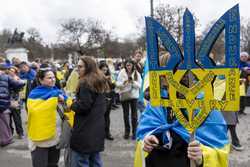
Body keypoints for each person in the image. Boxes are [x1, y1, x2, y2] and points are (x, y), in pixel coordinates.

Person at [70, 56, 107, 167]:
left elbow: (84, 106)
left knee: (82, 161)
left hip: (85, 129)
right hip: (96, 128)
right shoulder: (99, 80)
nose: (78, 69)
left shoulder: (85, 83)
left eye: (80, 66)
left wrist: (72, 104)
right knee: (95, 160)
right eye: (77, 66)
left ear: (89, 67)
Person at [27, 67, 66, 167]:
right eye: (49, 78)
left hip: (55, 135)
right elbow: (35, 111)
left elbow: (66, 107)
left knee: (53, 164)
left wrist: (64, 100)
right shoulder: (34, 94)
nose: (53, 80)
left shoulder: (57, 91)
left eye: (54, 77)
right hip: (41, 139)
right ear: (40, 80)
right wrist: (54, 99)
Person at [116, 59, 142, 140]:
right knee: (126, 115)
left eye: (130, 65)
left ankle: (134, 132)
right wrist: (124, 82)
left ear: (133, 65)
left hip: (134, 96)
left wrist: (133, 82)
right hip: (124, 95)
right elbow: (118, 84)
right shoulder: (122, 72)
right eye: (127, 65)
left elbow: (139, 86)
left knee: (134, 116)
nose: (129, 67)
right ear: (125, 65)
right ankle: (127, 131)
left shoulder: (136, 73)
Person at [0, 63, 25, 147]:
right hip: (5, 103)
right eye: (9, 70)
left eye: (13, 71)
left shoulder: (9, 78)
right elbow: (20, 85)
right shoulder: (6, 77)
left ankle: (19, 133)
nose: (11, 72)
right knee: (6, 121)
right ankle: (7, 138)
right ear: (6, 70)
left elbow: (18, 88)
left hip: (12, 101)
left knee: (15, 118)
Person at [99, 62, 115, 140]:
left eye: (105, 70)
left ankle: (107, 133)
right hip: (101, 98)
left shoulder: (108, 76)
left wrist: (112, 82)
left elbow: (112, 86)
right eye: (102, 70)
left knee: (107, 116)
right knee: (101, 117)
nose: (104, 72)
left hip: (109, 97)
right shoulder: (97, 77)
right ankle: (101, 133)